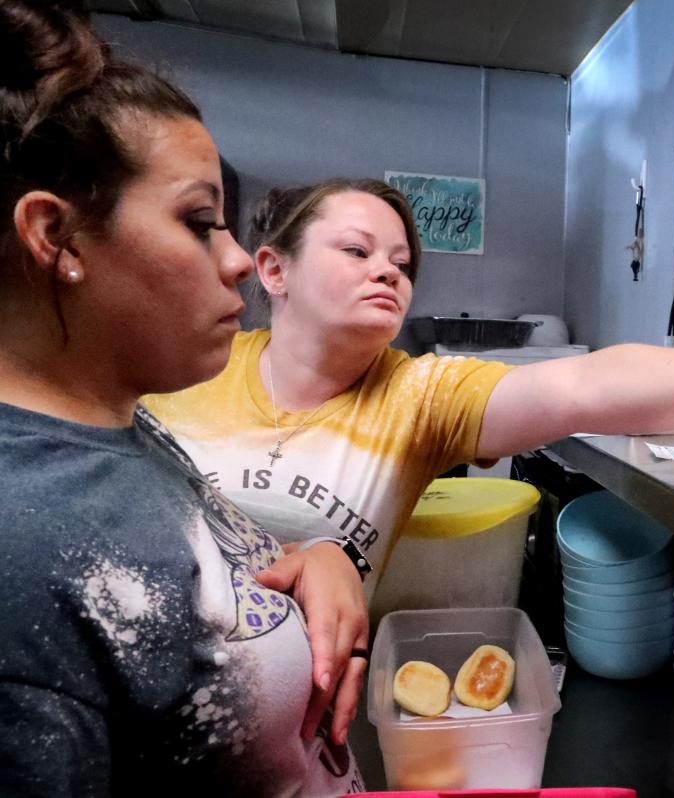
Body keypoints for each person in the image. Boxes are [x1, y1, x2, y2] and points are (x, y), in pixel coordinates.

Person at [142, 177, 674, 600]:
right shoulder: (179, 371)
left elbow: (592, 384)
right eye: (356, 250)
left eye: (402, 261)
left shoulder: (421, 397)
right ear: (273, 270)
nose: (389, 268)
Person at [0, 2, 367, 793]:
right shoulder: (18, 555)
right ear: (55, 236)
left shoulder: (120, 428)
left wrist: (312, 563)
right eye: (200, 221)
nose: (237, 259)